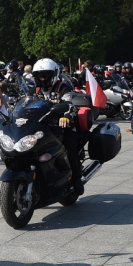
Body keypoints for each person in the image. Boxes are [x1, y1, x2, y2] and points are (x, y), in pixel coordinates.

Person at [30, 58, 84, 194]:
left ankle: (76, 178)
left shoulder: (63, 87)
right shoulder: (34, 90)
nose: (42, 79)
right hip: (41, 125)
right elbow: (25, 104)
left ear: (54, 74)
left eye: (45, 75)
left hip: (62, 126)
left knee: (70, 149)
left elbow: (70, 105)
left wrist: (66, 116)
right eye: (39, 76)